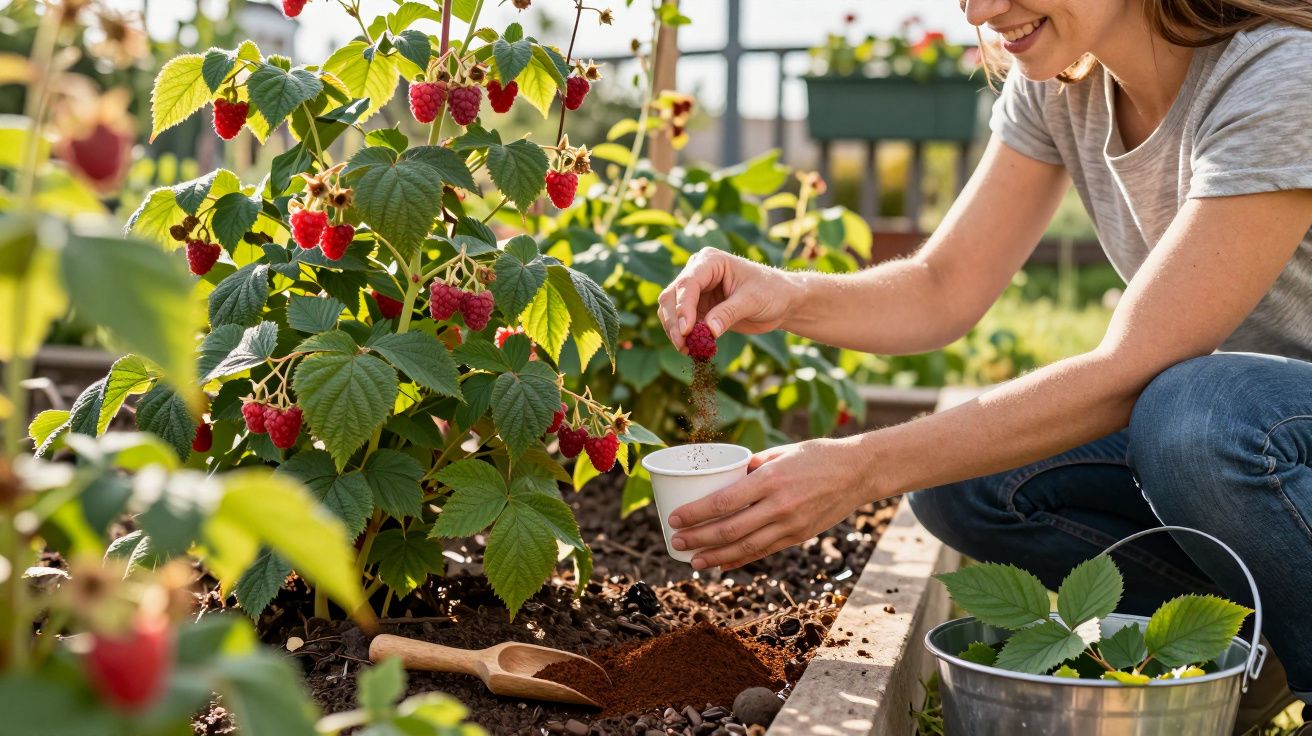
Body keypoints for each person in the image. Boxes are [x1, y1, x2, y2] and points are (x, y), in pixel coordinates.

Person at [657, 0, 1312, 731]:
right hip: (1267, 450)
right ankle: (1251, 647)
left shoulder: (1280, 77)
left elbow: (1137, 364)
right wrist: (786, 295)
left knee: (1197, 414)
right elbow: (944, 286)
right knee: (961, 478)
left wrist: (862, 467)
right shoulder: (1066, 83)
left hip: (1262, 429)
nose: (982, 10)